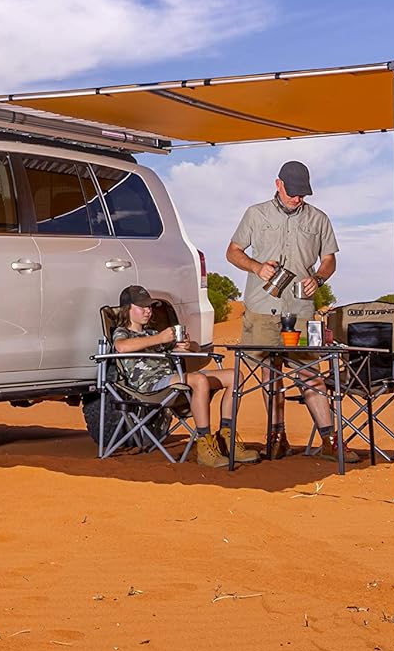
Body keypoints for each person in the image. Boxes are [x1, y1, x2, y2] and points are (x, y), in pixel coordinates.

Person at [225, 161, 356, 462]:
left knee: (310, 373)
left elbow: (329, 259)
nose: (297, 199)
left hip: (300, 311)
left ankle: (330, 440)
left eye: (302, 194)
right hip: (261, 308)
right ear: (278, 184)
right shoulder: (255, 214)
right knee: (268, 376)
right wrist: (256, 267)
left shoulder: (318, 218)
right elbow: (232, 252)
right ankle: (276, 437)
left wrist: (319, 278)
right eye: (292, 193)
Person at [111, 284, 260, 468]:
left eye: (149, 306)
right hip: (150, 386)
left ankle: (226, 438)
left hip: (173, 378)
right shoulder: (123, 332)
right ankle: (204, 444)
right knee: (199, 380)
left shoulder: (152, 333)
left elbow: (194, 348)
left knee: (234, 376)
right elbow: (121, 347)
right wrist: (159, 339)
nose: (147, 310)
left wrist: (188, 346)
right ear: (127, 309)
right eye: (142, 306)